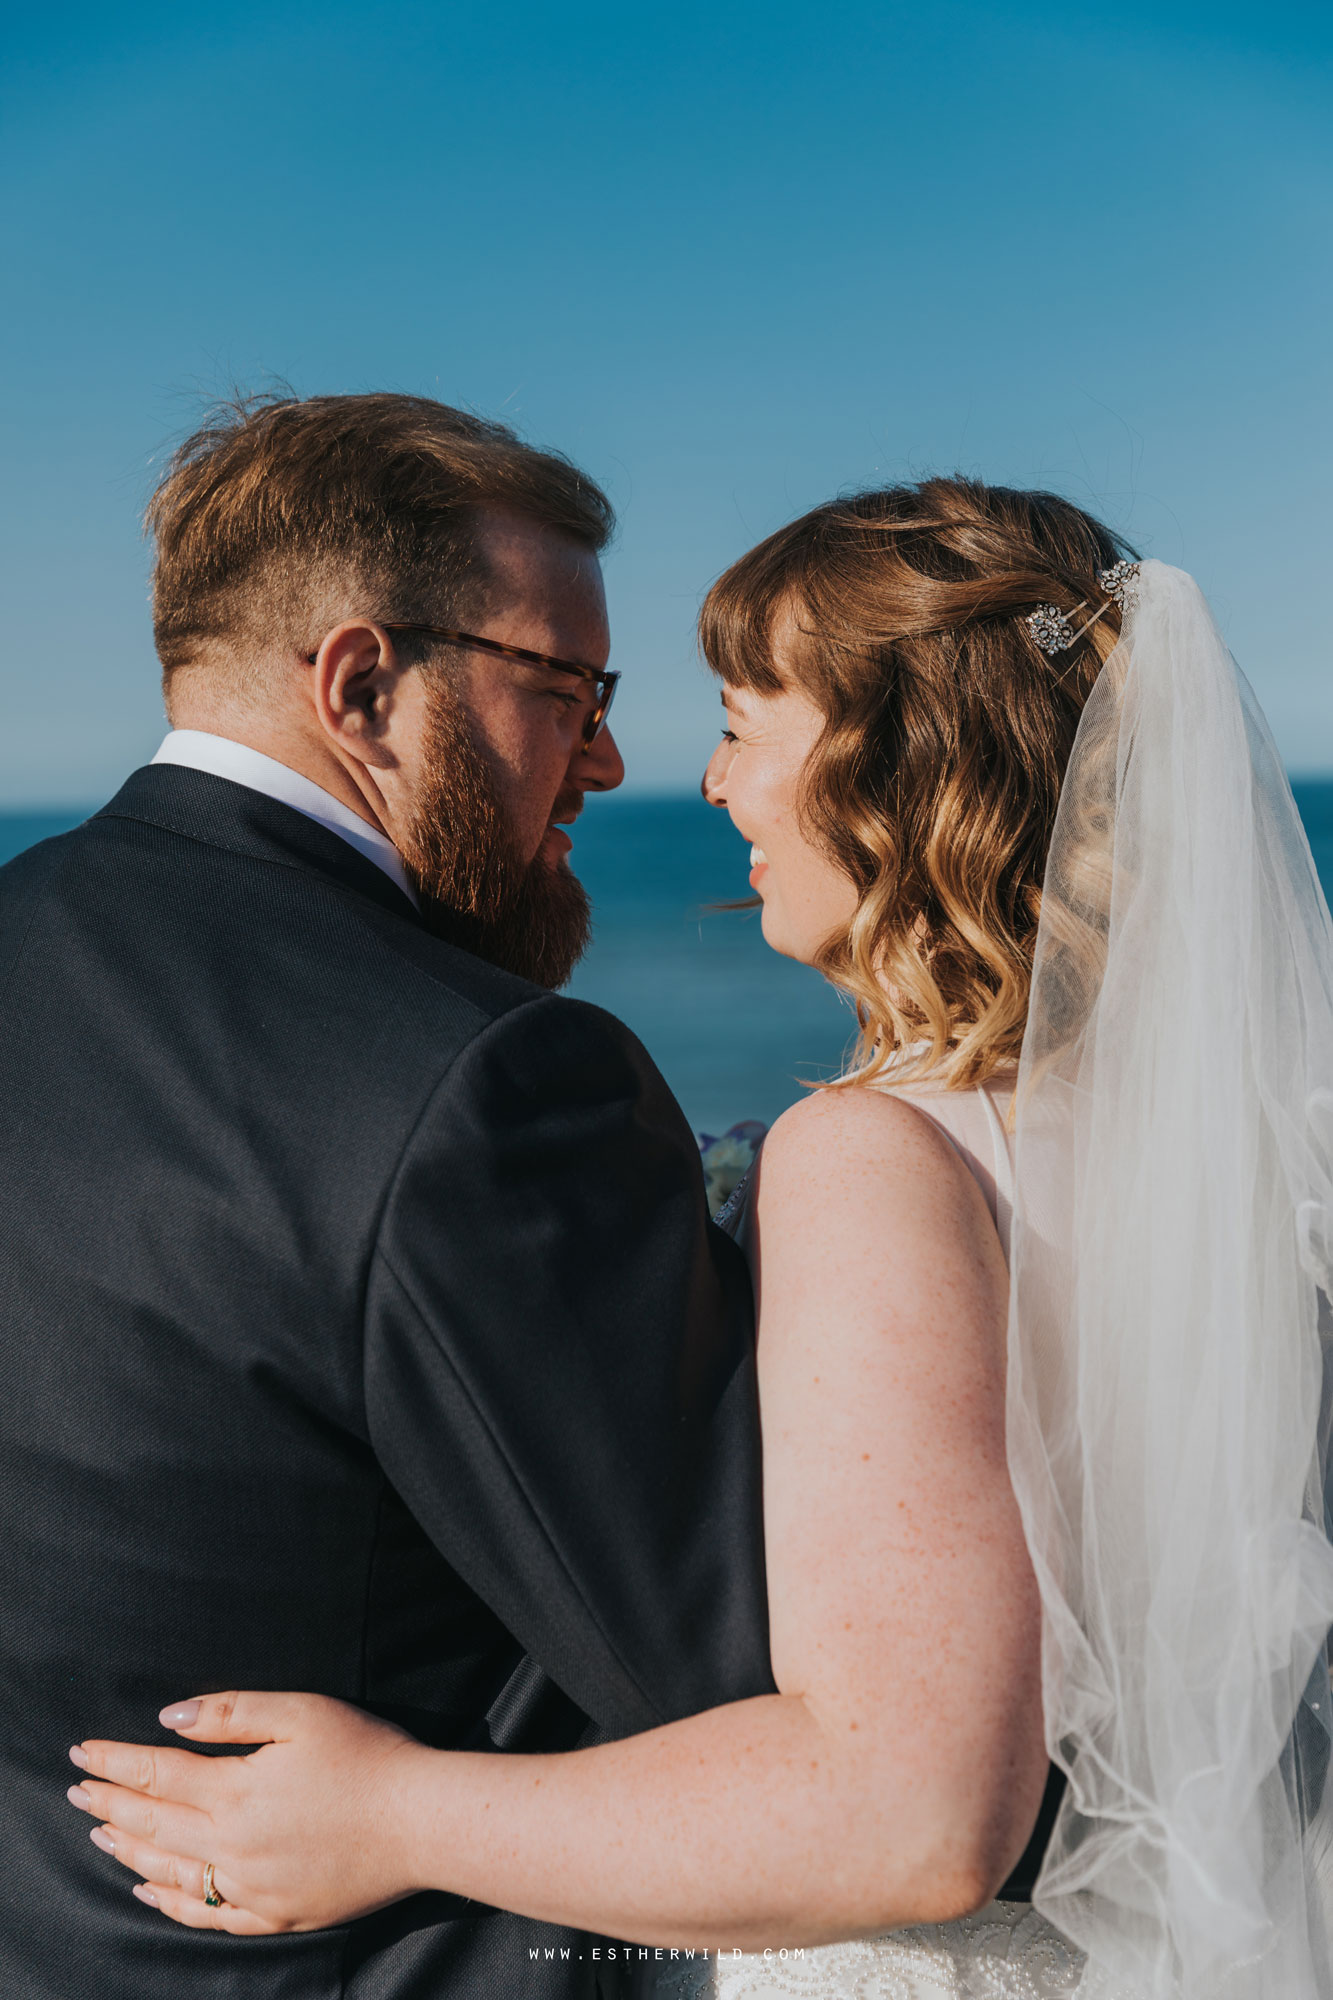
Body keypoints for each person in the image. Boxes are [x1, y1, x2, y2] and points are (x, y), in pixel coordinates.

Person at [77, 471, 1333, 1999]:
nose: (712, 786)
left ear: (893, 770)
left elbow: (913, 1814)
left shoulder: (877, 1155)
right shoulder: (1253, 1141)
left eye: (741, 726)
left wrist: (387, 1811)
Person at [0, 388, 793, 2000]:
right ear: (364, 683)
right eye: (566, 688)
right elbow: (730, 1678)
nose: (610, 756)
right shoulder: (476, 1077)